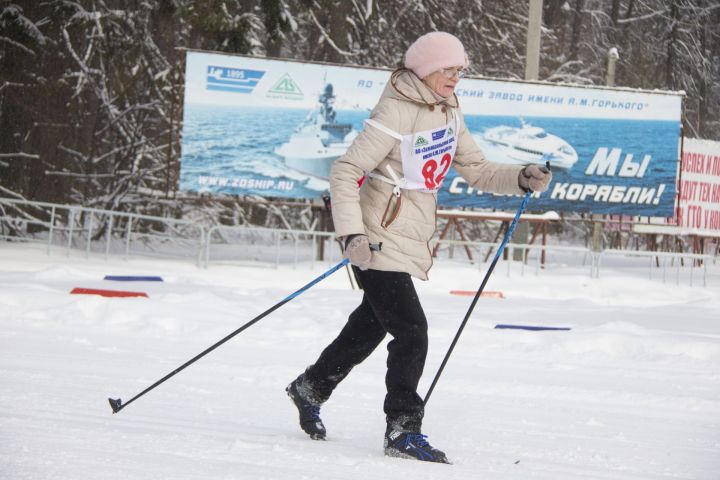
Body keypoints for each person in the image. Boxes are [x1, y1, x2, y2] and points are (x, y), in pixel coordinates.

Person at [286, 31, 551, 464]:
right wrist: (351, 235)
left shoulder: (450, 110)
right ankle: (403, 429)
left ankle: (311, 387)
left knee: (370, 325)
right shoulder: (396, 109)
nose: (456, 77)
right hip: (375, 236)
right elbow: (346, 170)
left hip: (410, 233)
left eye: (461, 70)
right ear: (426, 70)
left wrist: (520, 177)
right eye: (449, 69)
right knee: (412, 330)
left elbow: (478, 170)